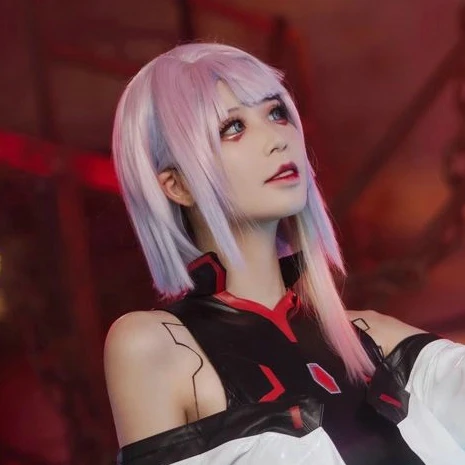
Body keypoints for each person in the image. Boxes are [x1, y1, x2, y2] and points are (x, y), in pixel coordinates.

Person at [104, 43, 465, 465]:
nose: (277, 139)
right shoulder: (154, 346)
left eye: (276, 113)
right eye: (233, 127)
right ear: (177, 185)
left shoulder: (372, 339)